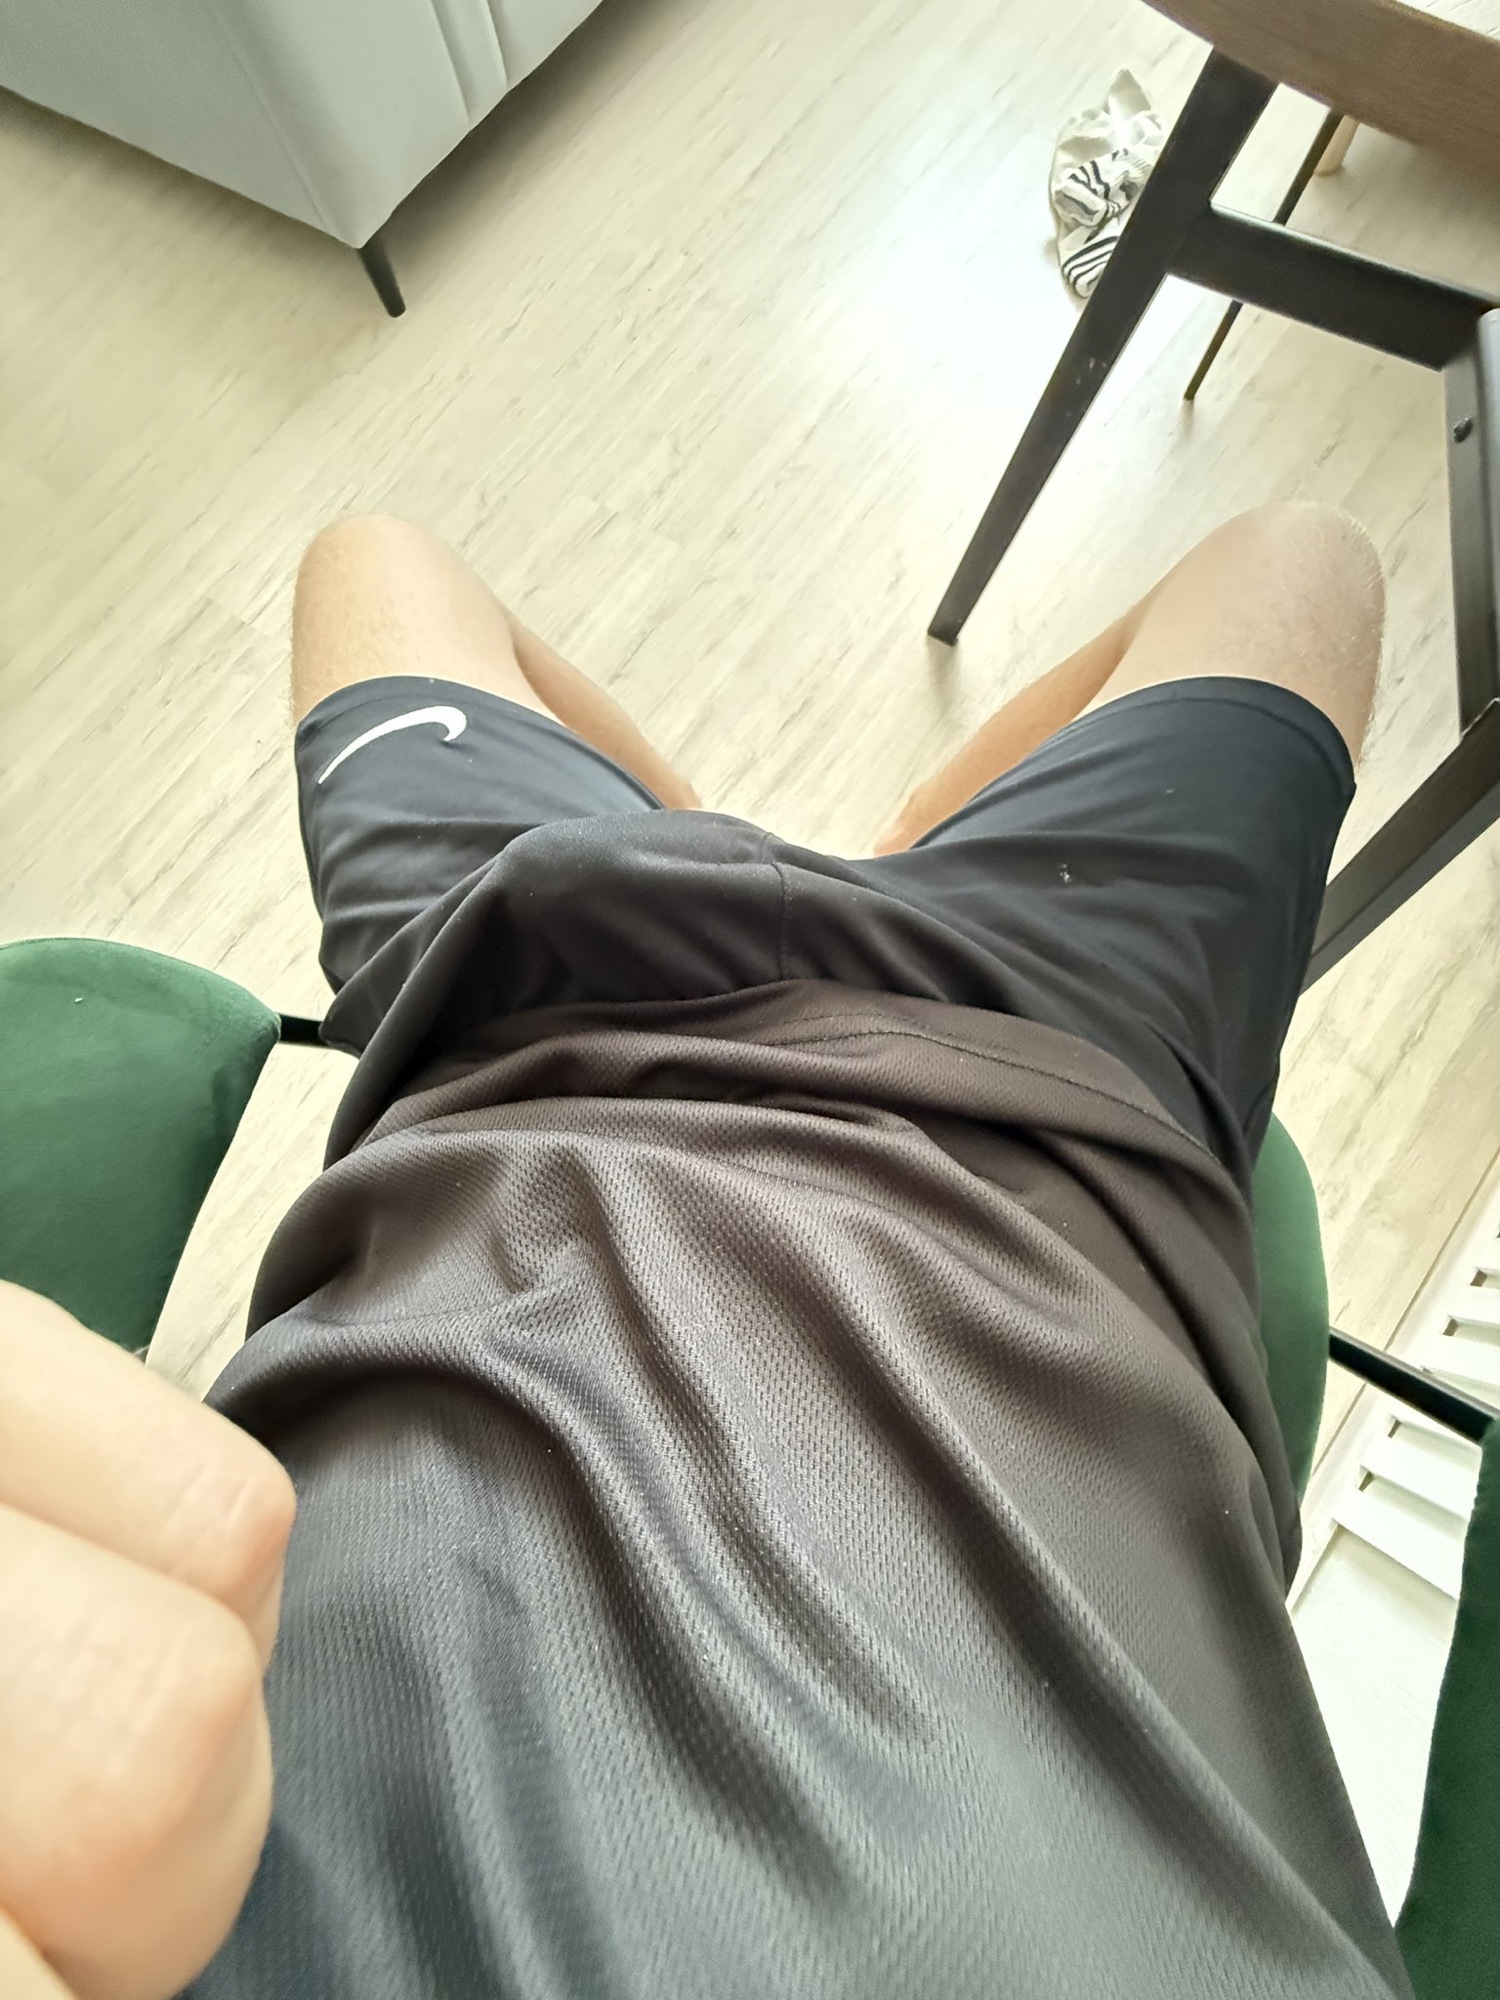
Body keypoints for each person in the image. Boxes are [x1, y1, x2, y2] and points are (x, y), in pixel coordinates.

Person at [2, 502, 1409, 2000]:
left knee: (372, 559)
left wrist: (666, 856)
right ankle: (854, 855)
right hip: (1053, 1058)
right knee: (1304, 564)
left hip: (522, 1017)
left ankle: (746, 850)